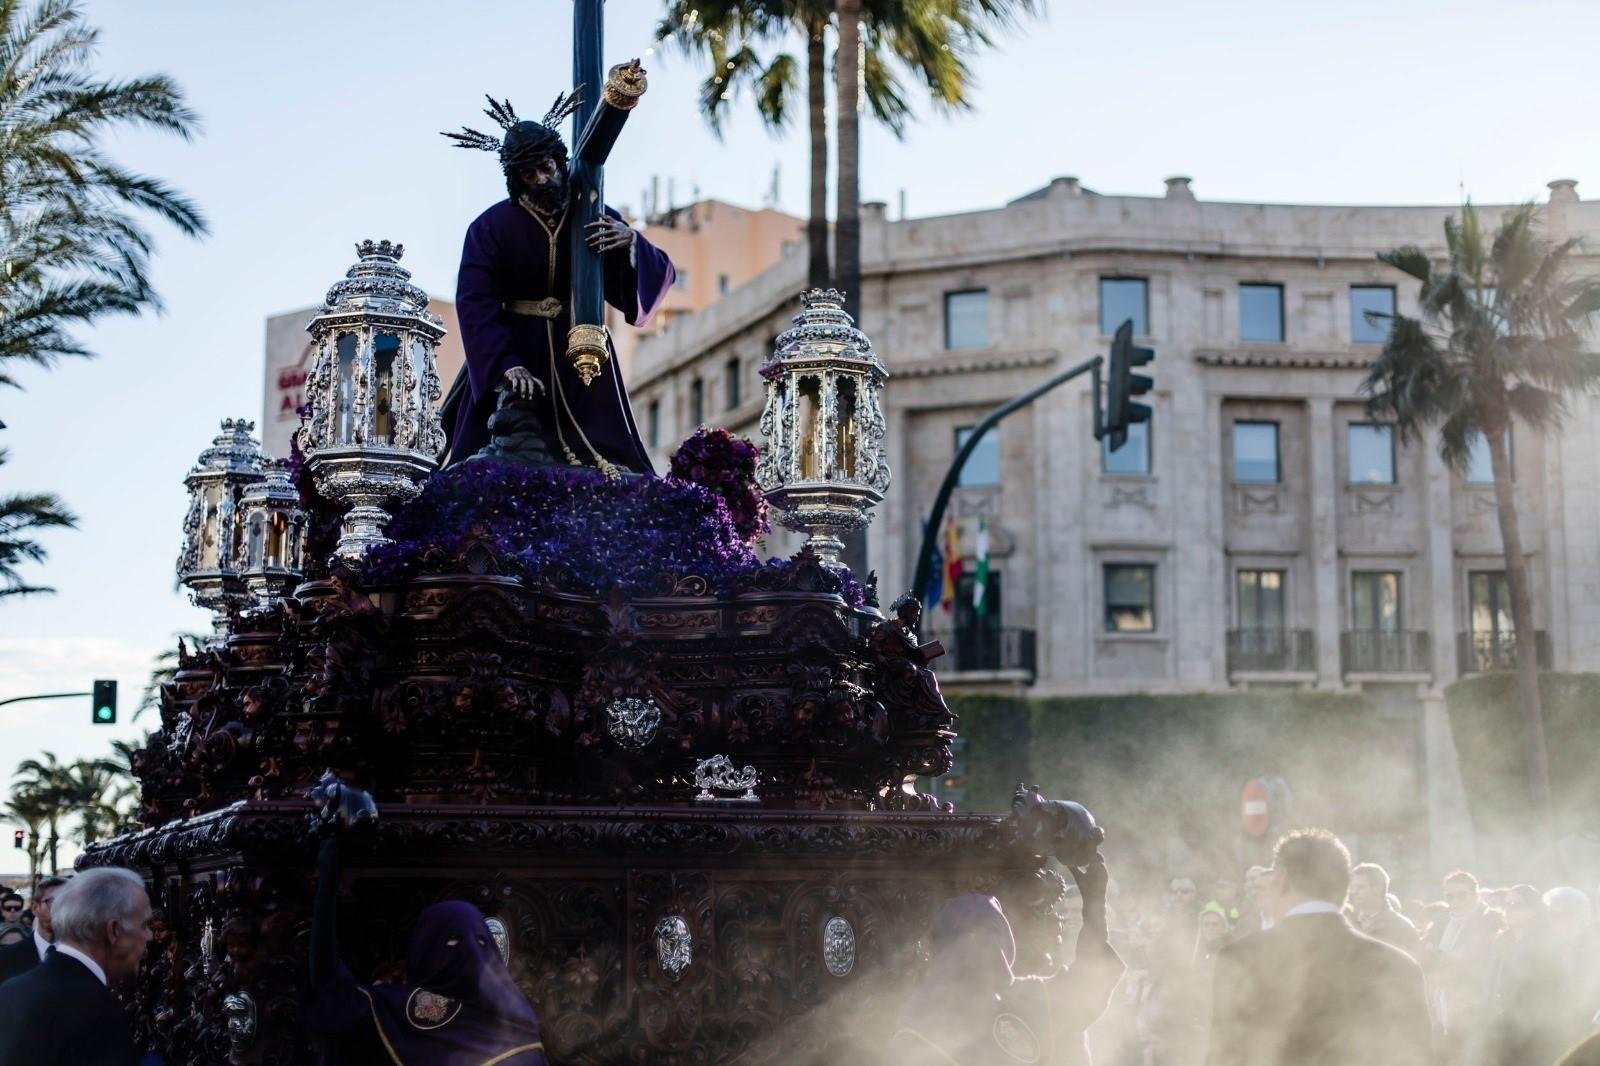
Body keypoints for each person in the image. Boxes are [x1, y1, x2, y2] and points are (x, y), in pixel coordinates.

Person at [439, 90, 674, 474]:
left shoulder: (596, 213)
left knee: (611, 463)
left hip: (581, 350)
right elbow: (474, 301)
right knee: (487, 464)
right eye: (529, 174)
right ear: (516, 181)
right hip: (516, 346)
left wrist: (629, 242)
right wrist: (505, 365)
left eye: (546, 167)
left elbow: (655, 274)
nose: (542, 180)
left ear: (560, 162)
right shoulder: (489, 227)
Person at [308, 776, 547, 1064]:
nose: (469, 953)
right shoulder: (395, 1012)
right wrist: (328, 878)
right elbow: (330, 986)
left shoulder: (518, 1037)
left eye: (480, 943)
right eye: (452, 942)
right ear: (426, 949)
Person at [1206, 828, 1430, 1066]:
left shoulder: (1241, 959)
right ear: (1344, 889)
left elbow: (1225, 1057)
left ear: (1281, 881)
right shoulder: (1399, 966)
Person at [891, 858, 1125, 1065]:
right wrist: (1094, 904)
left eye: (984, 942)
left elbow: (1086, 988)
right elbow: (1087, 989)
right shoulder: (916, 1028)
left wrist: (1094, 905)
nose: (974, 953)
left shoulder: (1026, 997)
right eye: (965, 945)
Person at [0, 866, 151, 1065]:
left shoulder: (12, 990)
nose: (150, 935)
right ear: (113, 930)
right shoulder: (98, 1009)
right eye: (144, 925)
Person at [1427, 869, 1502, 1063]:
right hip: (1442, 1006)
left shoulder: (1490, 920)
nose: (1455, 901)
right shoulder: (1442, 921)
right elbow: (1427, 957)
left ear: (1475, 894)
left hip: (1473, 1010)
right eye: (1449, 896)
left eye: (1461, 895)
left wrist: (1450, 961)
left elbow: (1483, 963)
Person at [0, 875, 68, 983]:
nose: (60, 909)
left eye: (67, 903)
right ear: (35, 908)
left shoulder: (85, 955)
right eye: (52, 902)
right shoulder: (6, 958)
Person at [1344, 862, 1420, 957]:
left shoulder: (1402, 927)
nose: (1354, 892)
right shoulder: (1345, 923)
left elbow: (1414, 966)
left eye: (1360, 887)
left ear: (1378, 888)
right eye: (1352, 887)